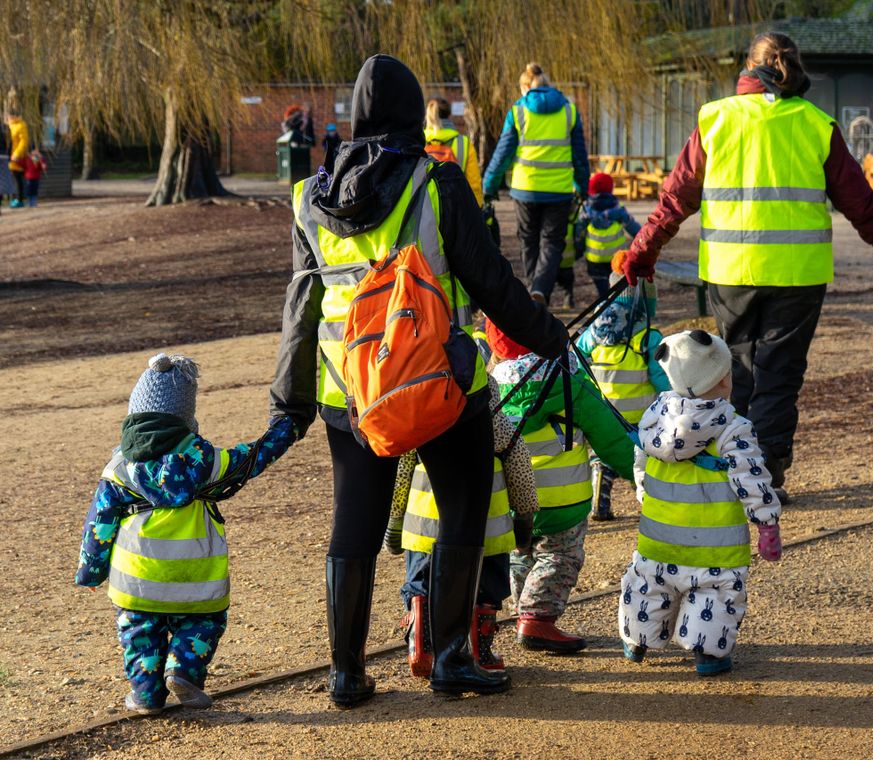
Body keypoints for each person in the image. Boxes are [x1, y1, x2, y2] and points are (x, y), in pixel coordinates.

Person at [270, 55, 568, 705]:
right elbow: (491, 283)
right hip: (439, 382)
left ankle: (346, 674)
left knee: (355, 519)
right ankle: (452, 658)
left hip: (347, 393)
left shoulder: (309, 196)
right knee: (462, 505)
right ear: (411, 114)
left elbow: (301, 310)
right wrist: (550, 335)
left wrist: (288, 404)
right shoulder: (437, 183)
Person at [621, 32, 873, 499]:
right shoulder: (817, 125)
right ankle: (767, 473)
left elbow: (676, 198)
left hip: (730, 270)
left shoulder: (715, 119)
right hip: (798, 274)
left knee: (734, 368)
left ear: (747, 67)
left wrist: (642, 251)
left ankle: (731, 468)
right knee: (779, 374)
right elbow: (864, 208)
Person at [75, 354, 297, 714]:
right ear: (185, 416)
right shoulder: (207, 463)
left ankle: (146, 694)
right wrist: (287, 427)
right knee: (202, 623)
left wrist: (91, 570)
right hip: (197, 580)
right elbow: (254, 457)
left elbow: (99, 525)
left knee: (139, 633)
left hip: (137, 581)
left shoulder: (118, 468)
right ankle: (184, 672)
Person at [619, 330, 781, 676]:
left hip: (658, 538)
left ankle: (637, 638)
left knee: (648, 585)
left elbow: (640, 457)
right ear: (724, 380)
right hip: (715, 548)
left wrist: (643, 489)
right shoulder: (732, 428)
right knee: (715, 597)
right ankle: (708, 653)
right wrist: (766, 521)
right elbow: (750, 476)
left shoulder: (655, 417)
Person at [487, 320, 634, 653]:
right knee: (560, 557)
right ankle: (536, 619)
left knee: (520, 554)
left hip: (511, 502)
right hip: (564, 502)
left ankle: (524, 610)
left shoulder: (490, 389)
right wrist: (644, 474)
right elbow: (611, 440)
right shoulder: (569, 384)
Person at [391, 376, 539, 676]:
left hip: (423, 527)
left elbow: (401, 472)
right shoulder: (497, 425)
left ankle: (421, 628)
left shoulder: (418, 424)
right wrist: (524, 520)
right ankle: (480, 651)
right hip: (485, 530)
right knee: (484, 588)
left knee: (422, 580)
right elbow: (521, 471)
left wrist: (394, 523)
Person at [482, 63, 590, 305]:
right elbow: (579, 157)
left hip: (525, 190)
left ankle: (534, 294)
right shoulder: (569, 111)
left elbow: (502, 154)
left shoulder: (518, 111)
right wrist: (583, 188)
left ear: (524, 87)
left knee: (528, 240)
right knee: (552, 244)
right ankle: (540, 290)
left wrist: (489, 186)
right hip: (559, 191)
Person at [576, 274, 669, 520]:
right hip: (639, 413)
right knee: (641, 458)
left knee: (605, 453)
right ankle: (647, 498)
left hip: (604, 411)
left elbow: (577, 358)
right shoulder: (648, 336)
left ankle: (600, 493)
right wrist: (672, 395)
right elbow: (660, 376)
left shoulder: (594, 330)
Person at [576, 173, 642, 298]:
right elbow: (633, 228)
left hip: (594, 257)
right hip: (616, 257)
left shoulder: (586, 210)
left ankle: (604, 300)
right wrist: (643, 242)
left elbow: (579, 231)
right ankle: (614, 303)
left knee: (601, 286)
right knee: (616, 284)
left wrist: (578, 249)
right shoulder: (618, 210)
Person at [424, 96, 483, 206]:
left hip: (424, 208)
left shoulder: (418, 141)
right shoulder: (464, 143)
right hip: (455, 207)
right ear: (449, 115)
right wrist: (477, 208)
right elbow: (474, 183)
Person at [7, 107, 28, 208]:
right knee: (12, 179)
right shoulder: (9, 126)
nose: (9, 118)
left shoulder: (21, 125)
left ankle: (19, 200)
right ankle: (14, 199)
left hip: (16, 157)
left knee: (17, 178)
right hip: (9, 156)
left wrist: (17, 154)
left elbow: (23, 142)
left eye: (10, 116)